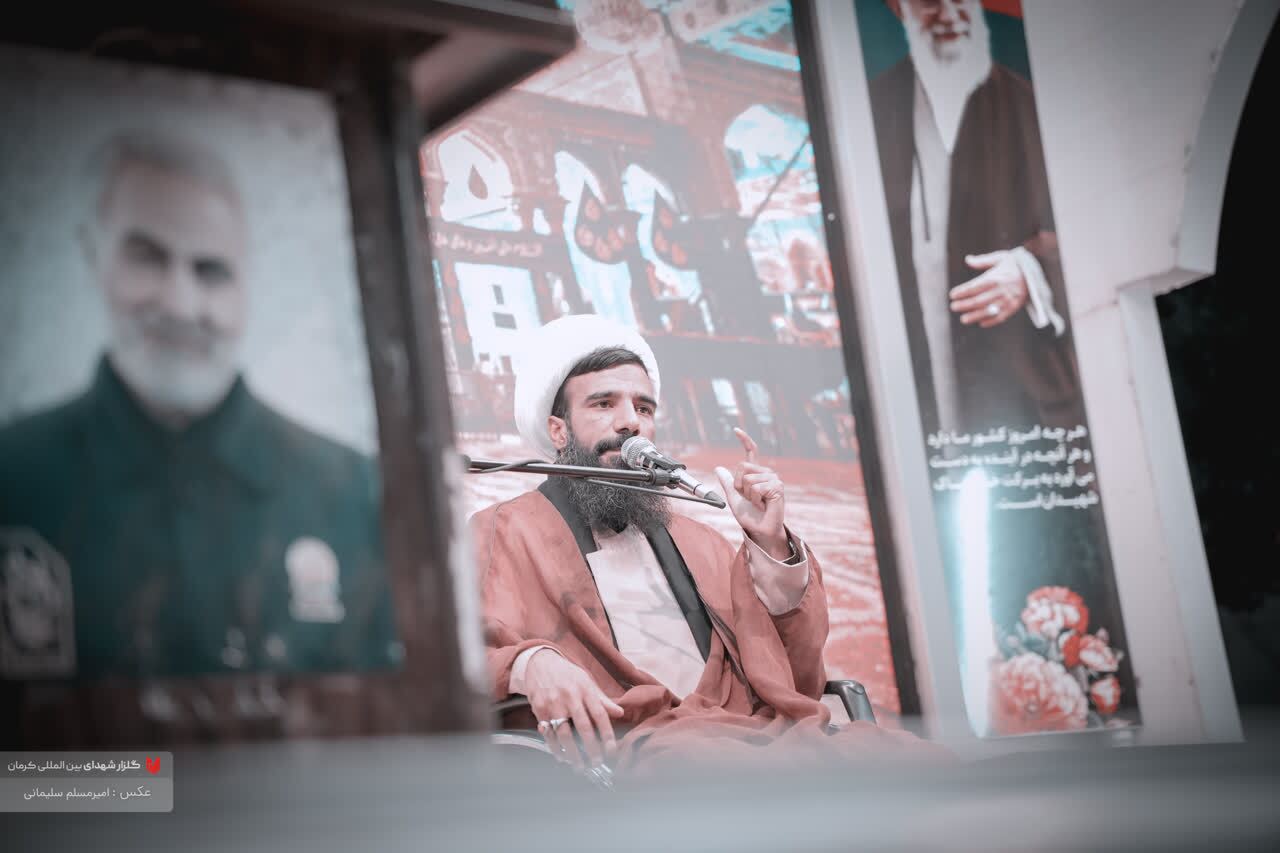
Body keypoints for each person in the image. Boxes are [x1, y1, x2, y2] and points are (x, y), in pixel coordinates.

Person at [0, 130, 398, 687]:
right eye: (147, 257)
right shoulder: (15, 475)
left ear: (248, 285)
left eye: (211, 270)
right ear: (93, 254)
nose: (181, 304)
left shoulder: (352, 494)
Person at [472, 313, 942, 778]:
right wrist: (530, 664)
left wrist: (769, 542)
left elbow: (797, 674)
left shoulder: (696, 539)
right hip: (640, 755)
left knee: (918, 763)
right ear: (559, 430)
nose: (630, 422)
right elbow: (459, 655)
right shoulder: (503, 532)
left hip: (752, 735)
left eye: (644, 408)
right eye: (603, 404)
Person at [870, 0, 1080, 438]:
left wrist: (1030, 270)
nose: (949, 15)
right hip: (908, 386)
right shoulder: (868, 114)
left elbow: (1096, 232)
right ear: (902, 10)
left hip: (1025, 401)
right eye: (930, 2)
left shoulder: (1032, 108)